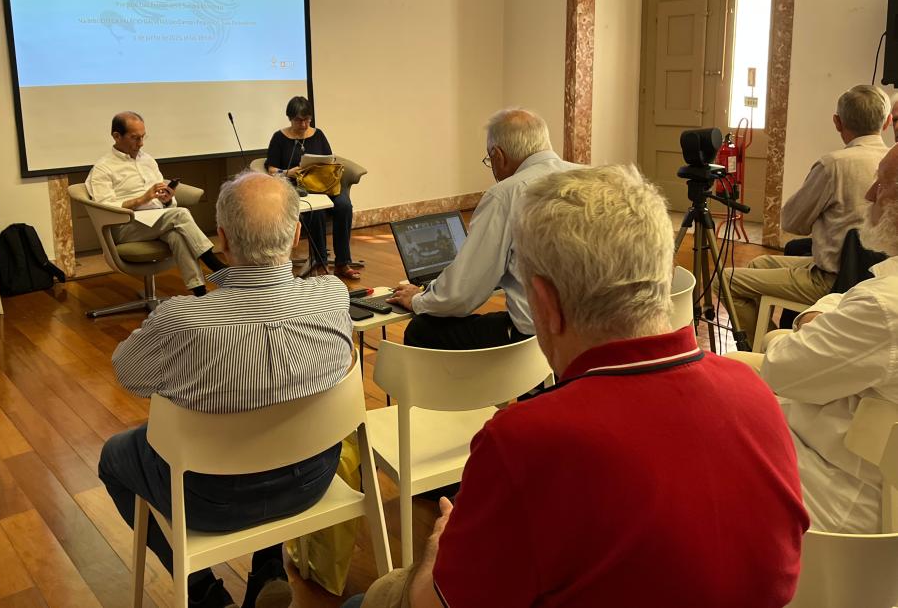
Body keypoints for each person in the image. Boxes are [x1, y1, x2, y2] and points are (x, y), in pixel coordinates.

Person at [346, 166, 808, 608]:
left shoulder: (525, 439)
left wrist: (437, 547)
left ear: (545, 304)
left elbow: (433, 602)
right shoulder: (754, 392)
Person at [98, 171, 354, 608]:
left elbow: (128, 373)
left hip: (207, 500)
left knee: (114, 457)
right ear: (296, 235)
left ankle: (202, 593)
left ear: (222, 238)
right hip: (312, 479)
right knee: (278, 420)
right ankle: (269, 568)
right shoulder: (332, 296)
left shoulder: (181, 320)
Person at [749, 143, 898, 533]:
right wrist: (822, 317)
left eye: (881, 184)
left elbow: (781, 370)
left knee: (711, 433)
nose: (869, 195)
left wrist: (808, 322)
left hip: (843, 487)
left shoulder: (883, 306)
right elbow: (846, 299)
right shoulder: (882, 295)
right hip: (861, 463)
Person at [388, 108, 580, 349]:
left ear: (498, 155)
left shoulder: (506, 194)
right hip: (595, 331)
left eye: (489, 160)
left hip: (537, 341)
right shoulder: (591, 177)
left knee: (421, 329)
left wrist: (417, 299)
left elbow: (460, 295)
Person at [725, 84, 890, 341]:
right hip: (874, 275)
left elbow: (793, 223)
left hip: (832, 278)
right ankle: (767, 337)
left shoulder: (834, 165)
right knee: (758, 263)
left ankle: (767, 345)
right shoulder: (891, 161)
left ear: (837, 122)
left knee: (727, 280)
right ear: (887, 122)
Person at [86, 111, 224, 296]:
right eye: (135, 138)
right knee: (180, 214)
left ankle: (199, 292)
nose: (141, 143)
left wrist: (167, 200)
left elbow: (163, 200)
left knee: (176, 234)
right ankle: (215, 265)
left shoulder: (148, 160)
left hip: (158, 220)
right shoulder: (103, 167)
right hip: (125, 226)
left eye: (143, 137)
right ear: (116, 136)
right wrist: (140, 200)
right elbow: (104, 208)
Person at [264, 96, 359, 280]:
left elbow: (330, 160)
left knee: (344, 206)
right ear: (290, 118)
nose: (304, 124)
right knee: (317, 210)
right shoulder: (279, 138)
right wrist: (289, 172)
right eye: (299, 120)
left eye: (307, 119)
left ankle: (342, 263)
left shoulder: (318, 134)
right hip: (297, 186)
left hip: (323, 184)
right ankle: (320, 262)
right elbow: (272, 170)